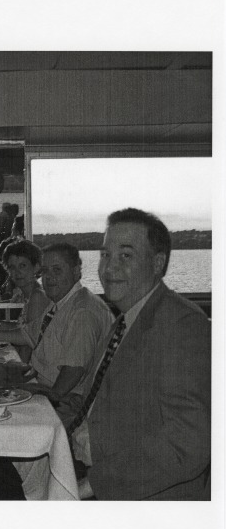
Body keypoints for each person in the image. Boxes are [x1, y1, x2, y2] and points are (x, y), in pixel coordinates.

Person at [68, 208, 210, 500]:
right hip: (89, 465)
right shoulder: (124, 321)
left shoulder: (182, 326)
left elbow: (186, 444)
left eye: (126, 256)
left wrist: (90, 486)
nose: (109, 268)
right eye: (105, 255)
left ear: (158, 263)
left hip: (142, 495)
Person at [0, 242, 113, 406]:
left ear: (76, 272)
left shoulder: (82, 312)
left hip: (67, 403)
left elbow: (72, 373)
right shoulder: (60, 303)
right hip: (41, 383)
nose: (49, 277)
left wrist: (35, 392)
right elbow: (26, 334)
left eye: (57, 270)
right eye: (45, 271)